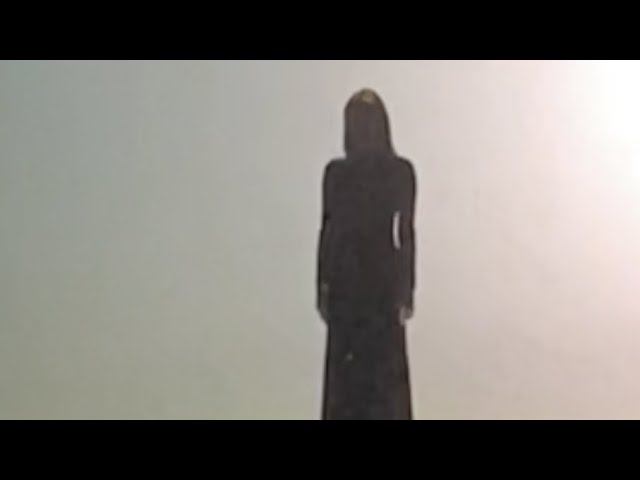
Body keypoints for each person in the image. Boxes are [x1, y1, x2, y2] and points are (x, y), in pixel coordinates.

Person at [317, 88, 416, 420]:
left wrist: (406, 287)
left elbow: (406, 233)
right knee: (345, 384)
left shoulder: (399, 172)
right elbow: (327, 229)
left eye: (369, 122)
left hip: (381, 281)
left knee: (384, 377)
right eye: (357, 122)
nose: (364, 130)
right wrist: (322, 285)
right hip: (346, 283)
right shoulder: (336, 174)